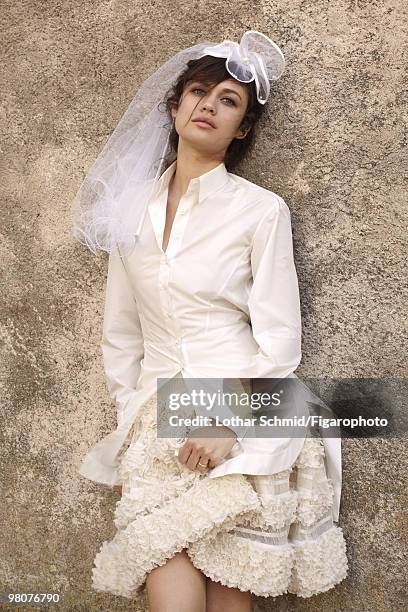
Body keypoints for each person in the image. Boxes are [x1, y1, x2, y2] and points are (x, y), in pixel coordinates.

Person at [72, 31, 348, 612]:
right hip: (156, 424)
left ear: (241, 128)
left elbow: (279, 338)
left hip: (239, 418)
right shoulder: (130, 215)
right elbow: (122, 336)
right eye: (199, 91)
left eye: (229, 100)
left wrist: (228, 420)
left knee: (230, 599)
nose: (208, 105)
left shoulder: (260, 211)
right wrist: (130, 434)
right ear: (175, 107)